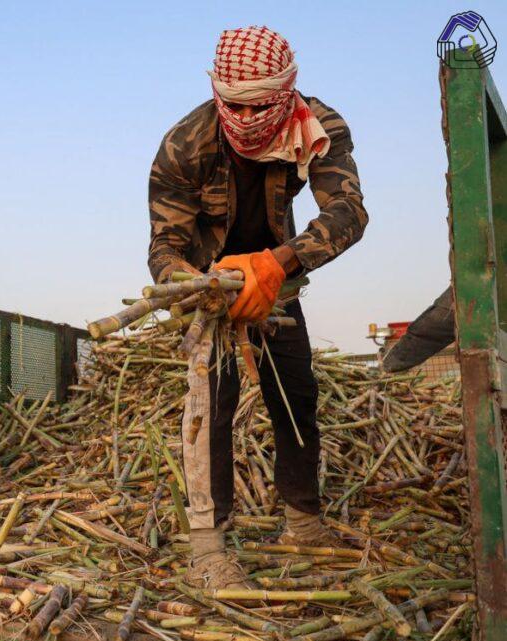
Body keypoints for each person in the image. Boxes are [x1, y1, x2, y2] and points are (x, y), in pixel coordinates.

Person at [147, 27, 369, 588]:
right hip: (208, 293)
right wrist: (200, 286)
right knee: (209, 410)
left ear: (286, 93)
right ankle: (208, 549)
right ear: (219, 95)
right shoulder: (185, 145)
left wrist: (278, 265)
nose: (246, 117)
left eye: (259, 107)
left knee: (296, 393)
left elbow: (348, 210)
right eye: (235, 106)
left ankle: (302, 521)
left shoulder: (316, 128)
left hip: (279, 282)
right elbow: (164, 247)